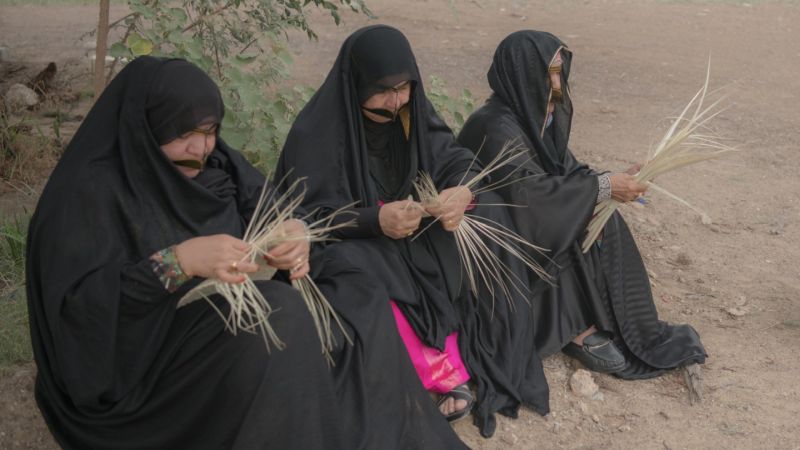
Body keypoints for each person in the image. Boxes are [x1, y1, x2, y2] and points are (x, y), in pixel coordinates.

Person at [25, 56, 458, 449]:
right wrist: (179, 262)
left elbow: (272, 212)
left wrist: (292, 240)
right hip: (147, 353)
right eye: (183, 135)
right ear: (145, 129)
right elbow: (80, 315)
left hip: (231, 301)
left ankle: (355, 431)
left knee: (353, 281)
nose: (200, 149)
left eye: (209, 131)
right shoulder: (89, 196)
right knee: (279, 312)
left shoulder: (218, 168)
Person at [277, 25, 550, 439]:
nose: (397, 100)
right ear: (356, 84)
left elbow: (452, 157)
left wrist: (461, 191)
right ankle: (433, 371)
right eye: (384, 90)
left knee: (487, 209)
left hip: (411, 233)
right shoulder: (315, 136)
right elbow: (303, 217)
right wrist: (374, 220)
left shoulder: (408, 113)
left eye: (404, 87)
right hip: (353, 242)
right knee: (356, 265)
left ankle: (496, 347)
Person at [458, 30, 707, 381]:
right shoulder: (493, 126)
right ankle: (575, 328)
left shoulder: (535, 115)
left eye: (560, 72)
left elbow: (567, 173)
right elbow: (530, 199)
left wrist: (613, 181)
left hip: (534, 215)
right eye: (550, 73)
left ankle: (621, 321)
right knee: (570, 220)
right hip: (500, 239)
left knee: (602, 218)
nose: (558, 83)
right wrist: (601, 187)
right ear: (522, 72)